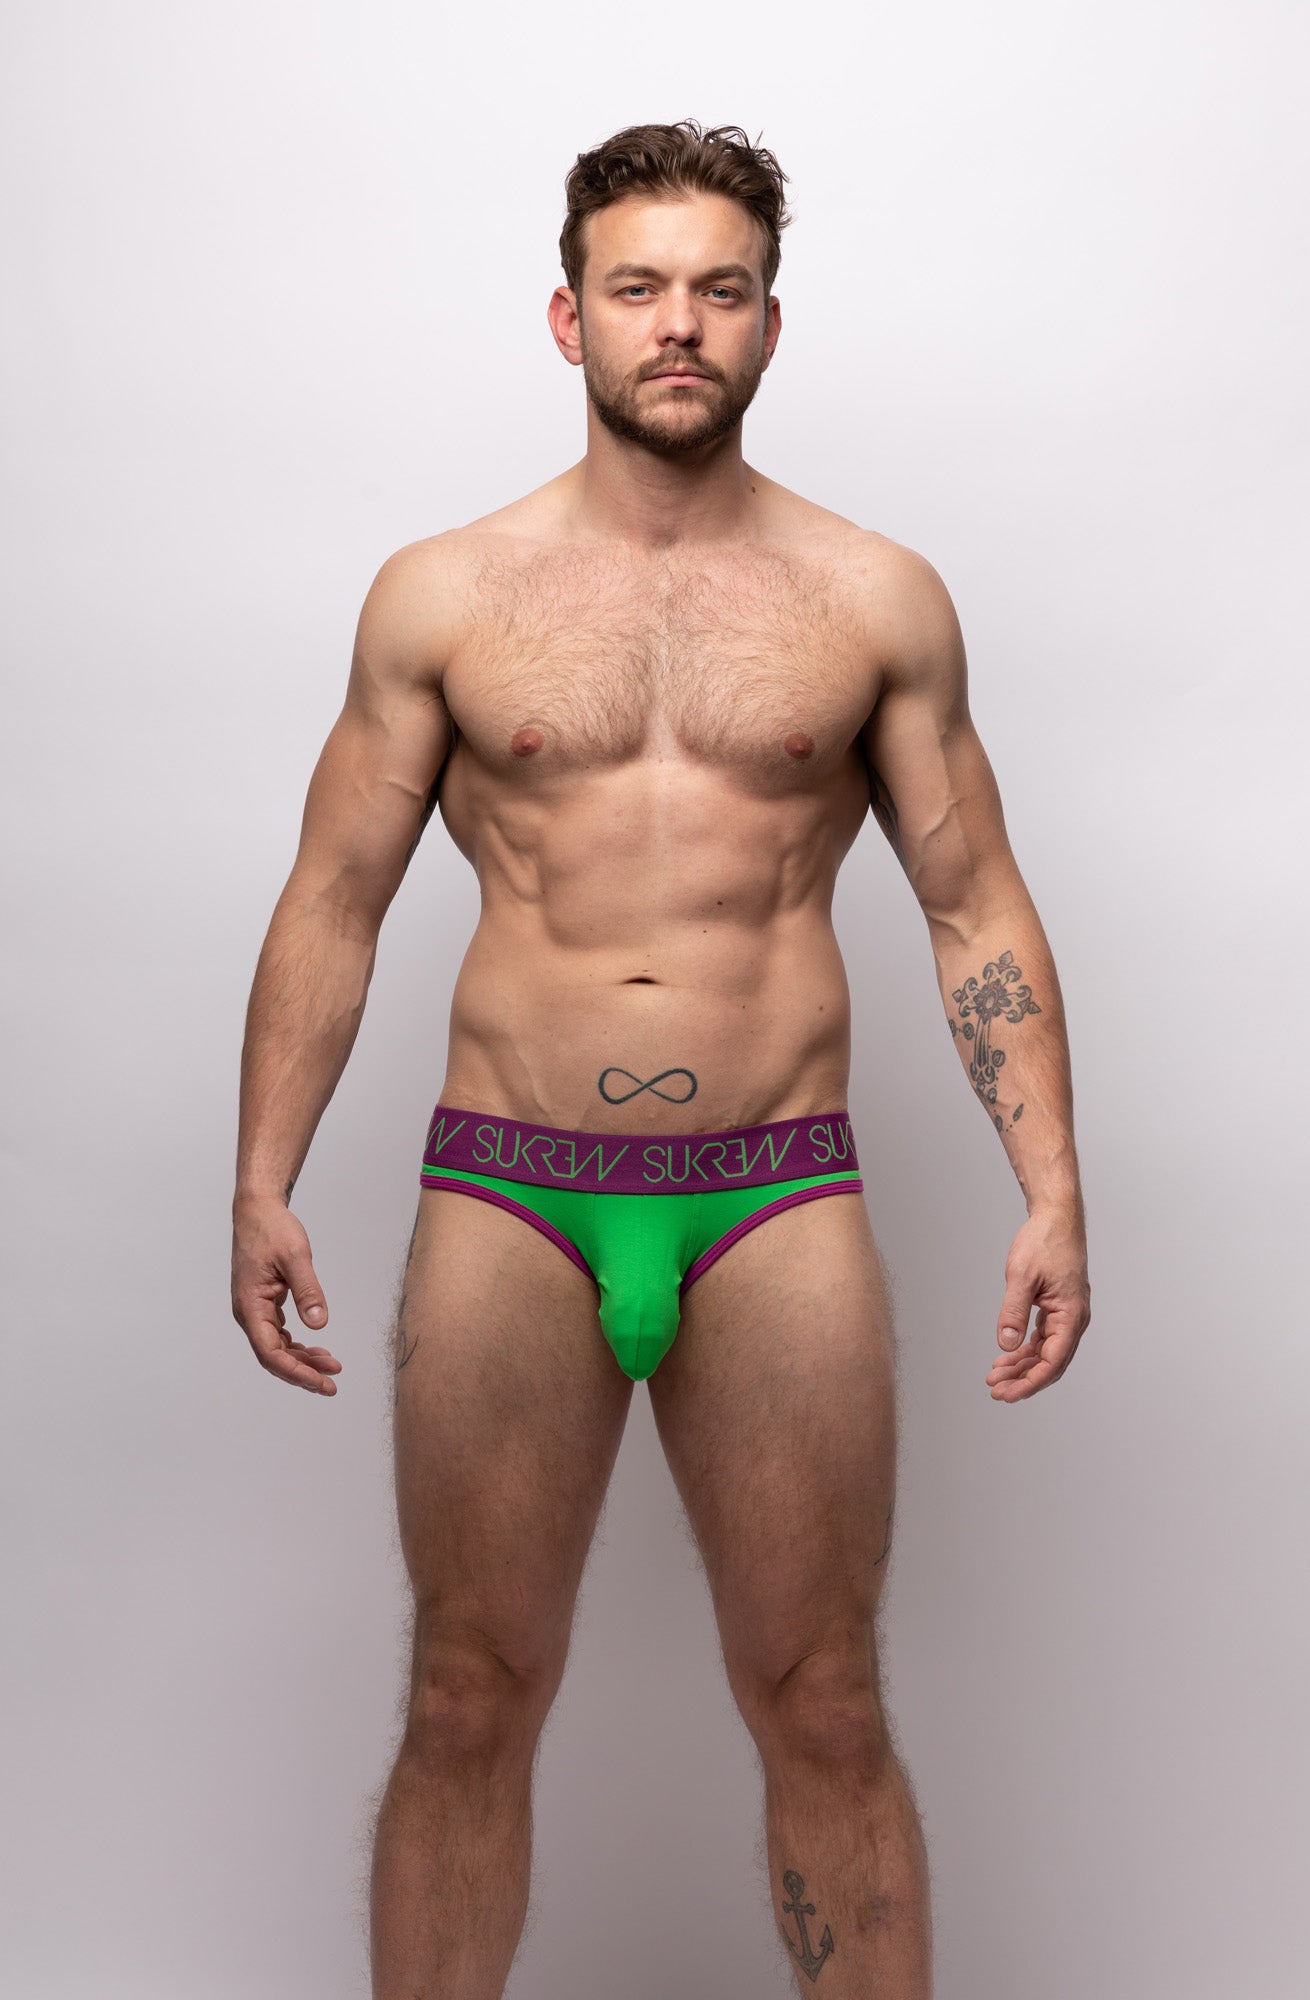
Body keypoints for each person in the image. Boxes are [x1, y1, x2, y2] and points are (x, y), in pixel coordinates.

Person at [230, 119, 1091, 1999]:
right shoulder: (442, 593)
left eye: (719, 289)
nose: (677, 324)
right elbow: (334, 899)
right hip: (509, 1186)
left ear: (770, 321)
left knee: (824, 1697)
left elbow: (972, 906)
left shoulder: (873, 597)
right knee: (466, 1693)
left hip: (773, 1193)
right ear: (570, 318)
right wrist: (262, 1177)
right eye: (637, 289)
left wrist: (1049, 1192)